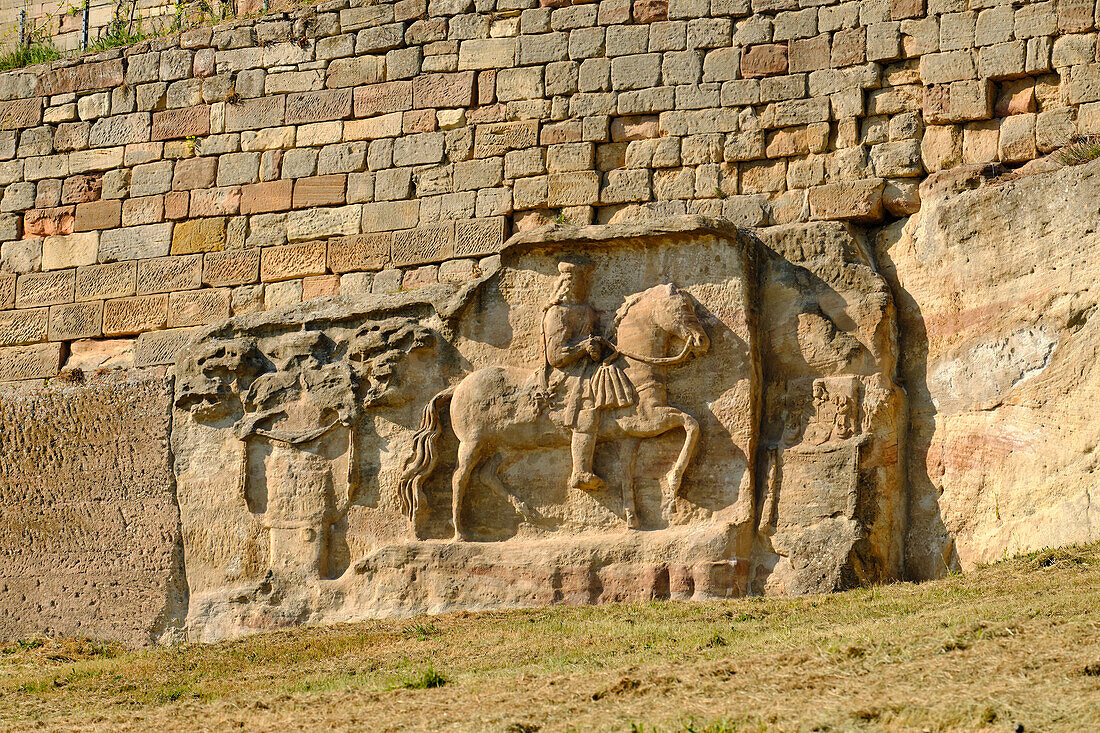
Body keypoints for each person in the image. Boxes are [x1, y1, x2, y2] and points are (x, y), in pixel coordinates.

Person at [540, 261, 633, 492]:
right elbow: (555, 355)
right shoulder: (556, 313)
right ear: (568, 285)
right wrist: (583, 347)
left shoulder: (587, 310)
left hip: (587, 366)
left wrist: (599, 346)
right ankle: (580, 471)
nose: (585, 286)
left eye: (586, 282)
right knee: (587, 405)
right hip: (565, 371)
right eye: (582, 282)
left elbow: (592, 342)